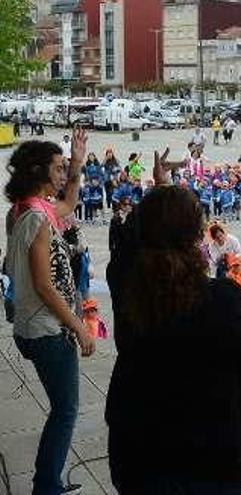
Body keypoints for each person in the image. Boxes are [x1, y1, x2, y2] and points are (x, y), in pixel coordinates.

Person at [105, 168, 241, 493]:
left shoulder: (126, 286)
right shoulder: (225, 301)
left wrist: (161, 196)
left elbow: (139, 238)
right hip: (207, 464)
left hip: (137, 451)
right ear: (196, 237)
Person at [5, 132, 95, 495]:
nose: (62, 176)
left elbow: (69, 203)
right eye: (58, 169)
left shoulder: (26, 210)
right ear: (39, 171)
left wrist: (76, 163)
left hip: (32, 327)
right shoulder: (35, 219)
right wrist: (80, 327)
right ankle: (46, 487)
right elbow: (44, 284)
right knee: (66, 411)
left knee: (62, 408)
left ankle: (48, 481)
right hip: (46, 330)